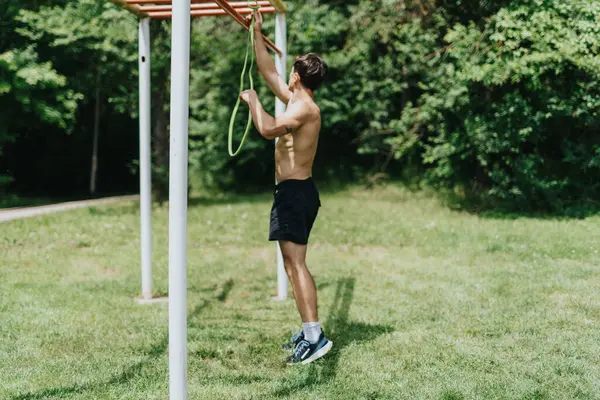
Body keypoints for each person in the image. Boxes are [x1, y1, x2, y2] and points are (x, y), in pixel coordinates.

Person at [239, 10, 331, 365]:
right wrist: (257, 33)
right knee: (292, 265)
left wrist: (253, 101)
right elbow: (267, 70)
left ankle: (315, 337)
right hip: (291, 193)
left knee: (296, 265)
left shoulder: (303, 108)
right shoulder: (296, 97)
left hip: (295, 194)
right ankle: (308, 332)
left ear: (297, 76)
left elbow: (268, 129)